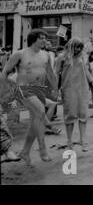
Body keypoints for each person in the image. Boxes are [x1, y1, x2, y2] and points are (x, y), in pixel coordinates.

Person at [2, 29, 58, 165]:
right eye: (41, 38)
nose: (45, 40)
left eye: (45, 38)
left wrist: (54, 89)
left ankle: (25, 152)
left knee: (35, 122)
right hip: (22, 90)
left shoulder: (46, 55)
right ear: (33, 39)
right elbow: (4, 73)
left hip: (38, 90)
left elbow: (50, 73)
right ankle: (42, 148)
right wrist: (8, 91)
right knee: (40, 111)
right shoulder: (20, 54)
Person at [56, 38, 92, 152]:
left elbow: (86, 71)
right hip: (68, 89)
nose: (79, 49)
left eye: (80, 47)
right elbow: (56, 74)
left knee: (83, 114)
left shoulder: (82, 57)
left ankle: (82, 140)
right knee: (70, 115)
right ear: (71, 46)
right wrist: (55, 89)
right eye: (77, 47)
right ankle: (69, 141)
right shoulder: (61, 57)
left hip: (83, 88)